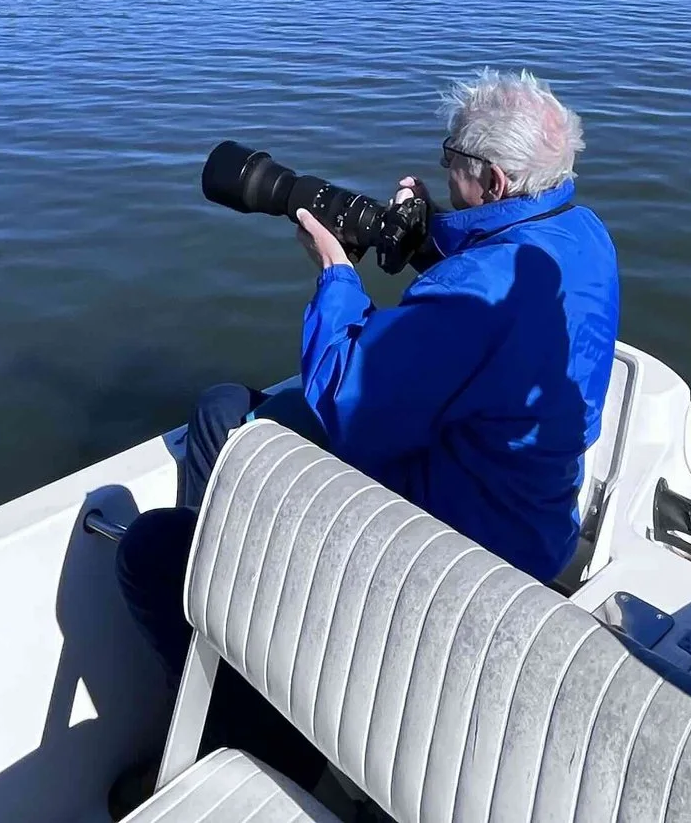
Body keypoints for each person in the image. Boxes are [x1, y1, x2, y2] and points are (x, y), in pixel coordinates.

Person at [117, 67, 620, 681]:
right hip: (535, 519)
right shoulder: (582, 234)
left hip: (455, 538)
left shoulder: (475, 286)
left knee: (222, 413)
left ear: (493, 180)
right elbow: (490, 310)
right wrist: (427, 237)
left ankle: (226, 641)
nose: (442, 166)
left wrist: (335, 272)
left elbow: (348, 404)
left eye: (451, 157)